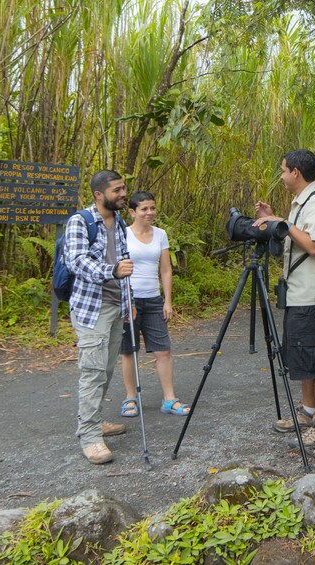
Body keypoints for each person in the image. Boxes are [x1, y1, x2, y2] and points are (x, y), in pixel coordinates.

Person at [254, 149, 315, 449]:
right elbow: (296, 237)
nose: (281, 176)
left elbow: (314, 246)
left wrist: (284, 222)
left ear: (296, 173)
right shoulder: (302, 204)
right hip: (298, 293)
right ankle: (307, 413)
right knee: (303, 355)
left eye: (282, 170)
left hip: (314, 295)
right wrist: (273, 220)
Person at [64, 170, 133, 465]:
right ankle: (90, 436)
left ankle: (94, 421)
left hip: (117, 306)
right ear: (98, 194)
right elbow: (76, 261)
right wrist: (111, 271)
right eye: (116, 190)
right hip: (91, 309)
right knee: (92, 371)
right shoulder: (81, 221)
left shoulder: (117, 221)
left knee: (105, 370)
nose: (122, 194)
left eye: (123, 188)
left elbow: (124, 260)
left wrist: (129, 304)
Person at [119, 191, 190, 418]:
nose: (150, 213)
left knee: (163, 350)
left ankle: (169, 399)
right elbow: (117, 269)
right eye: (144, 209)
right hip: (130, 299)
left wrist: (167, 300)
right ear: (132, 212)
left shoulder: (160, 234)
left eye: (152, 208)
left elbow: (166, 269)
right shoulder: (122, 234)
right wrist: (125, 301)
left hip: (153, 299)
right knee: (129, 351)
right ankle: (131, 398)